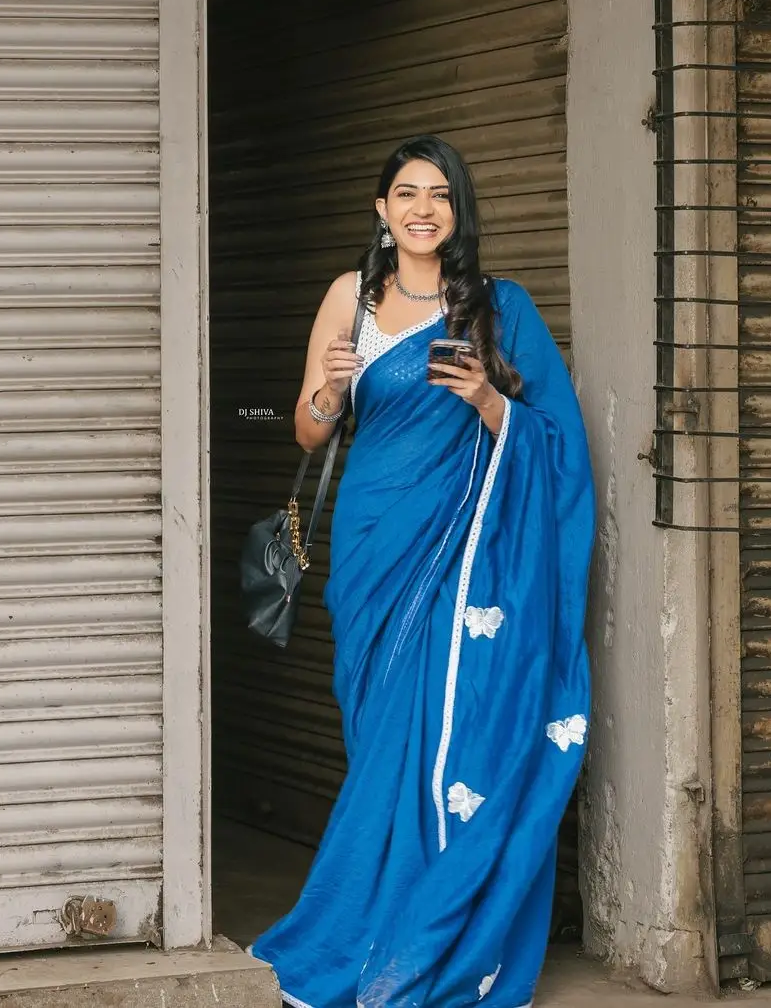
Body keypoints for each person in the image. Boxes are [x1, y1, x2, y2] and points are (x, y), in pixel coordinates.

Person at [251, 135, 595, 1008]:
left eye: (440, 194)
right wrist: (329, 390)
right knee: (379, 737)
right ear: (381, 210)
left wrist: (487, 400)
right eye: (407, 193)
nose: (423, 208)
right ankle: (373, 915)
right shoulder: (349, 298)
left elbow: (553, 436)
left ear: (458, 212)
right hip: (373, 545)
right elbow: (306, 430)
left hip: (465, 551)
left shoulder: (497, 306)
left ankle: (421, 932)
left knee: (440, 725)